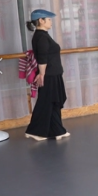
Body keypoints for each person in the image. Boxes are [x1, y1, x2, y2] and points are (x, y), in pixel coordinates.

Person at [24, 9, 69, 141]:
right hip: (48, 75)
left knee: (54, 102)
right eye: (48, 19)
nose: (50, 22)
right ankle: (34, 131)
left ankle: (57, 130)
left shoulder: (43, 35)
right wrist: (42, 74)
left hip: (54, 74)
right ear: (41, 21)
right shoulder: (41, 37)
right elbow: (42, 58)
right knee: (46, 102)